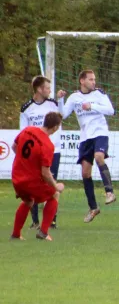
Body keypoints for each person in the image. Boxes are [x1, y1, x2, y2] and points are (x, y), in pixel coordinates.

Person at [62, 70, 116, 223]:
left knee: (99, 157)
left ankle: (109, 192)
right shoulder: (74, 97)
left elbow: (111, 111)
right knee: (85, 173)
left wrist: (91, 106)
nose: (94, 82)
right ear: (82, 81)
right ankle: (93, 208)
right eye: (91, 79)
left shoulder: (99, 94)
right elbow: (63, 115)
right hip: (85, 137)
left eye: (94, 79)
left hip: (100, 133)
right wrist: (60, 100)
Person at [10, 112, 65, 241]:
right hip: (30, 181)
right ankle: (44, 232)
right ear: (55, 127)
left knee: (28, 201)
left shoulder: (28, 130)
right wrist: (56, 185)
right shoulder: (48, 145)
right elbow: (45, 173)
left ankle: (16, 234)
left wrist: (26, 164)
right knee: (54, 194)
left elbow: (14, 147)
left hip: (16, 177)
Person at [20, 75, 65, 229]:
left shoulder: (53, 104)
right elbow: (23, 132)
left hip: (54, 150)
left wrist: (61, 100)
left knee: (52, 183)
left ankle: (52, 220)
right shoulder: (26, 108)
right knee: (34, 184)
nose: (49, 90)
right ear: (39, 89)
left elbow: (62, 115)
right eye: (47, 88)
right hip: (34, 153)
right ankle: (35, 221)